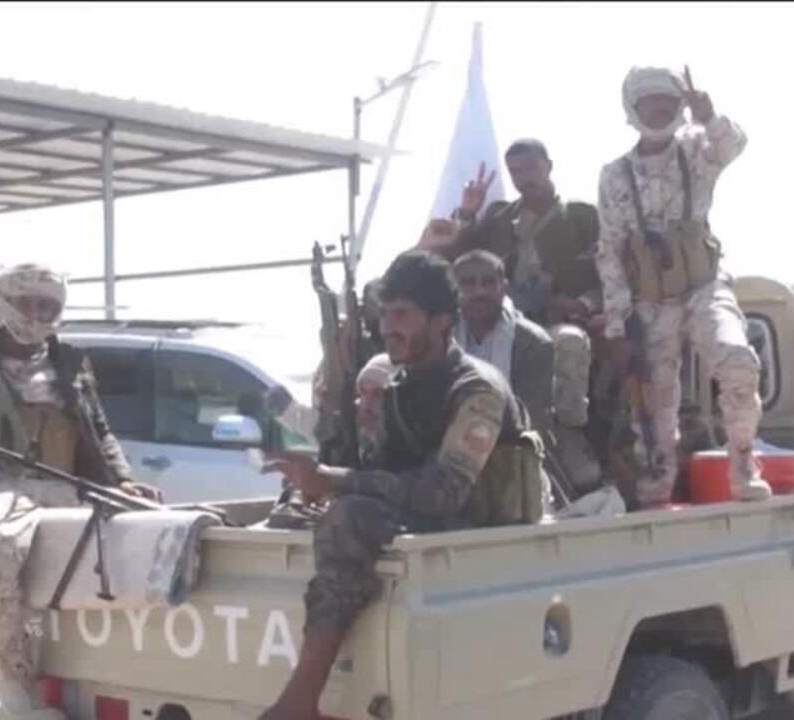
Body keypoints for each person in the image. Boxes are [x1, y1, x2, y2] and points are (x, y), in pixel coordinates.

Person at [259, 251, 532, 720]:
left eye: (402, 315)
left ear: (442, 320)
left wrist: (335, 482)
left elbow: (444, 492)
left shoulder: (476, 389)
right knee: (310, 514)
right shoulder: (401, 384)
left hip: (479, 528)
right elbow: (379, 470)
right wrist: (316, 474)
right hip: (428, 520)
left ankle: (299, 702)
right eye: (385, 315)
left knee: (348, 518)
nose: (388, 328)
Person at [0, 263, 158, 720]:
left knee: (146, 532)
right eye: (28, 304)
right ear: (4, 303)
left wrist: (122, 481)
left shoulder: (71, 365)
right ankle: (15, 692)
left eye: (49, 306)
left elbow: (99, 433)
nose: (38, 315)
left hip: (64, 491)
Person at [594, 65, 772, 508]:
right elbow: (611, 250)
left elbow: (734, 145)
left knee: (737, 361)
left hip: (703, 288)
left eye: (667, 101)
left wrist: (708, 115)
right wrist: (618, 324)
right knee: (654, 406)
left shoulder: (696, 150)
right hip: (650, 301)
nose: (659, 109)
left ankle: (743, 461)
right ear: (633, 108)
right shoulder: (615, 175)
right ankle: (657, 486)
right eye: (649, 102)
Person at [420, 139, 614, 494]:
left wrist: (584, 304)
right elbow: (459, 258)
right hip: (499, 318)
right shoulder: (500, 217)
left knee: (568, 342)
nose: (524, 178)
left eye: (530, 168)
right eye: (516, 171)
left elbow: (612, 275)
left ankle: (569, 433)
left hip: (555, 319)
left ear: (548, 165)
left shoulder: (580, 217)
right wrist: (467, 214)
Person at [451, 249, 553, 433]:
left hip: (512, 440)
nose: (480, 292)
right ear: (454, 290)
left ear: (504, 288)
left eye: (489, 282)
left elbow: (534, 419)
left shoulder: (532, 342)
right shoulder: (442, 337)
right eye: (468, 283)